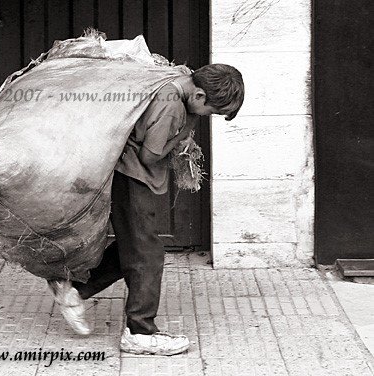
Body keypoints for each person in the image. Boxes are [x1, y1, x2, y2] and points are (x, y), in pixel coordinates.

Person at [48, 63, 244, 355]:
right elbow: (150, 155)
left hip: (127, 176)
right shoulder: (172, 107)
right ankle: (139, 332)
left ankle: (72, 287)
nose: (207, 117)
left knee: (137, 247)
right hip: (132, 178)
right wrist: (183, 134)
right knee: (147, 254)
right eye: (212, 112)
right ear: (200, 96)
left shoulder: (174, 82)